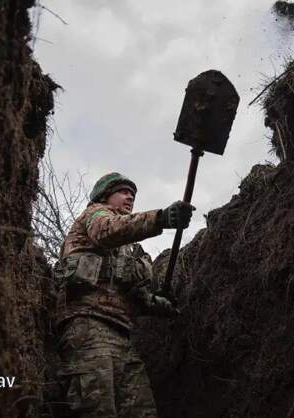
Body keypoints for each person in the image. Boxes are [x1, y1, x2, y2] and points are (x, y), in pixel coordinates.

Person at [53, 172, 194, 418]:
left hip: (123, 336)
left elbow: (134, 294)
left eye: (133, 194)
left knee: (142, 411)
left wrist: (159, 304)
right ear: (105, 196)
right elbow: (108, 230)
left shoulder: (128, 249)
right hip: (88, 326)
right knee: (96, 408)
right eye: (123, 191)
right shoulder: (95, 215)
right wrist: (161, 218)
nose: (130, 196)